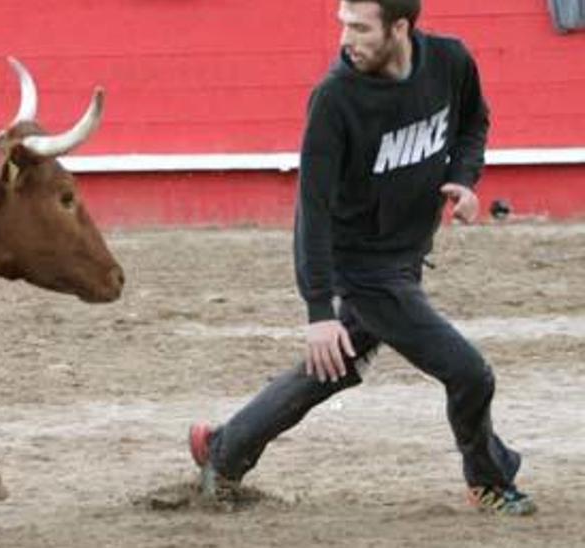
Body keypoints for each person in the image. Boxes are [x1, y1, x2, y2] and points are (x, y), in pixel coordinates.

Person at [188, 0, 536, 516]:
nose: (346, 39)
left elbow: (472, 124)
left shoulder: (450, 61)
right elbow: (313, 209)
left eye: (360, 27)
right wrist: (318, 313)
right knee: (470, 374)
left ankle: (224, 448)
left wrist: (463, 179)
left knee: (332, 368)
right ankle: (488, 479)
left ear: (401, 27)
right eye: (343, 24)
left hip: (406, 251)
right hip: (364, 268)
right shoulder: (335, 98)